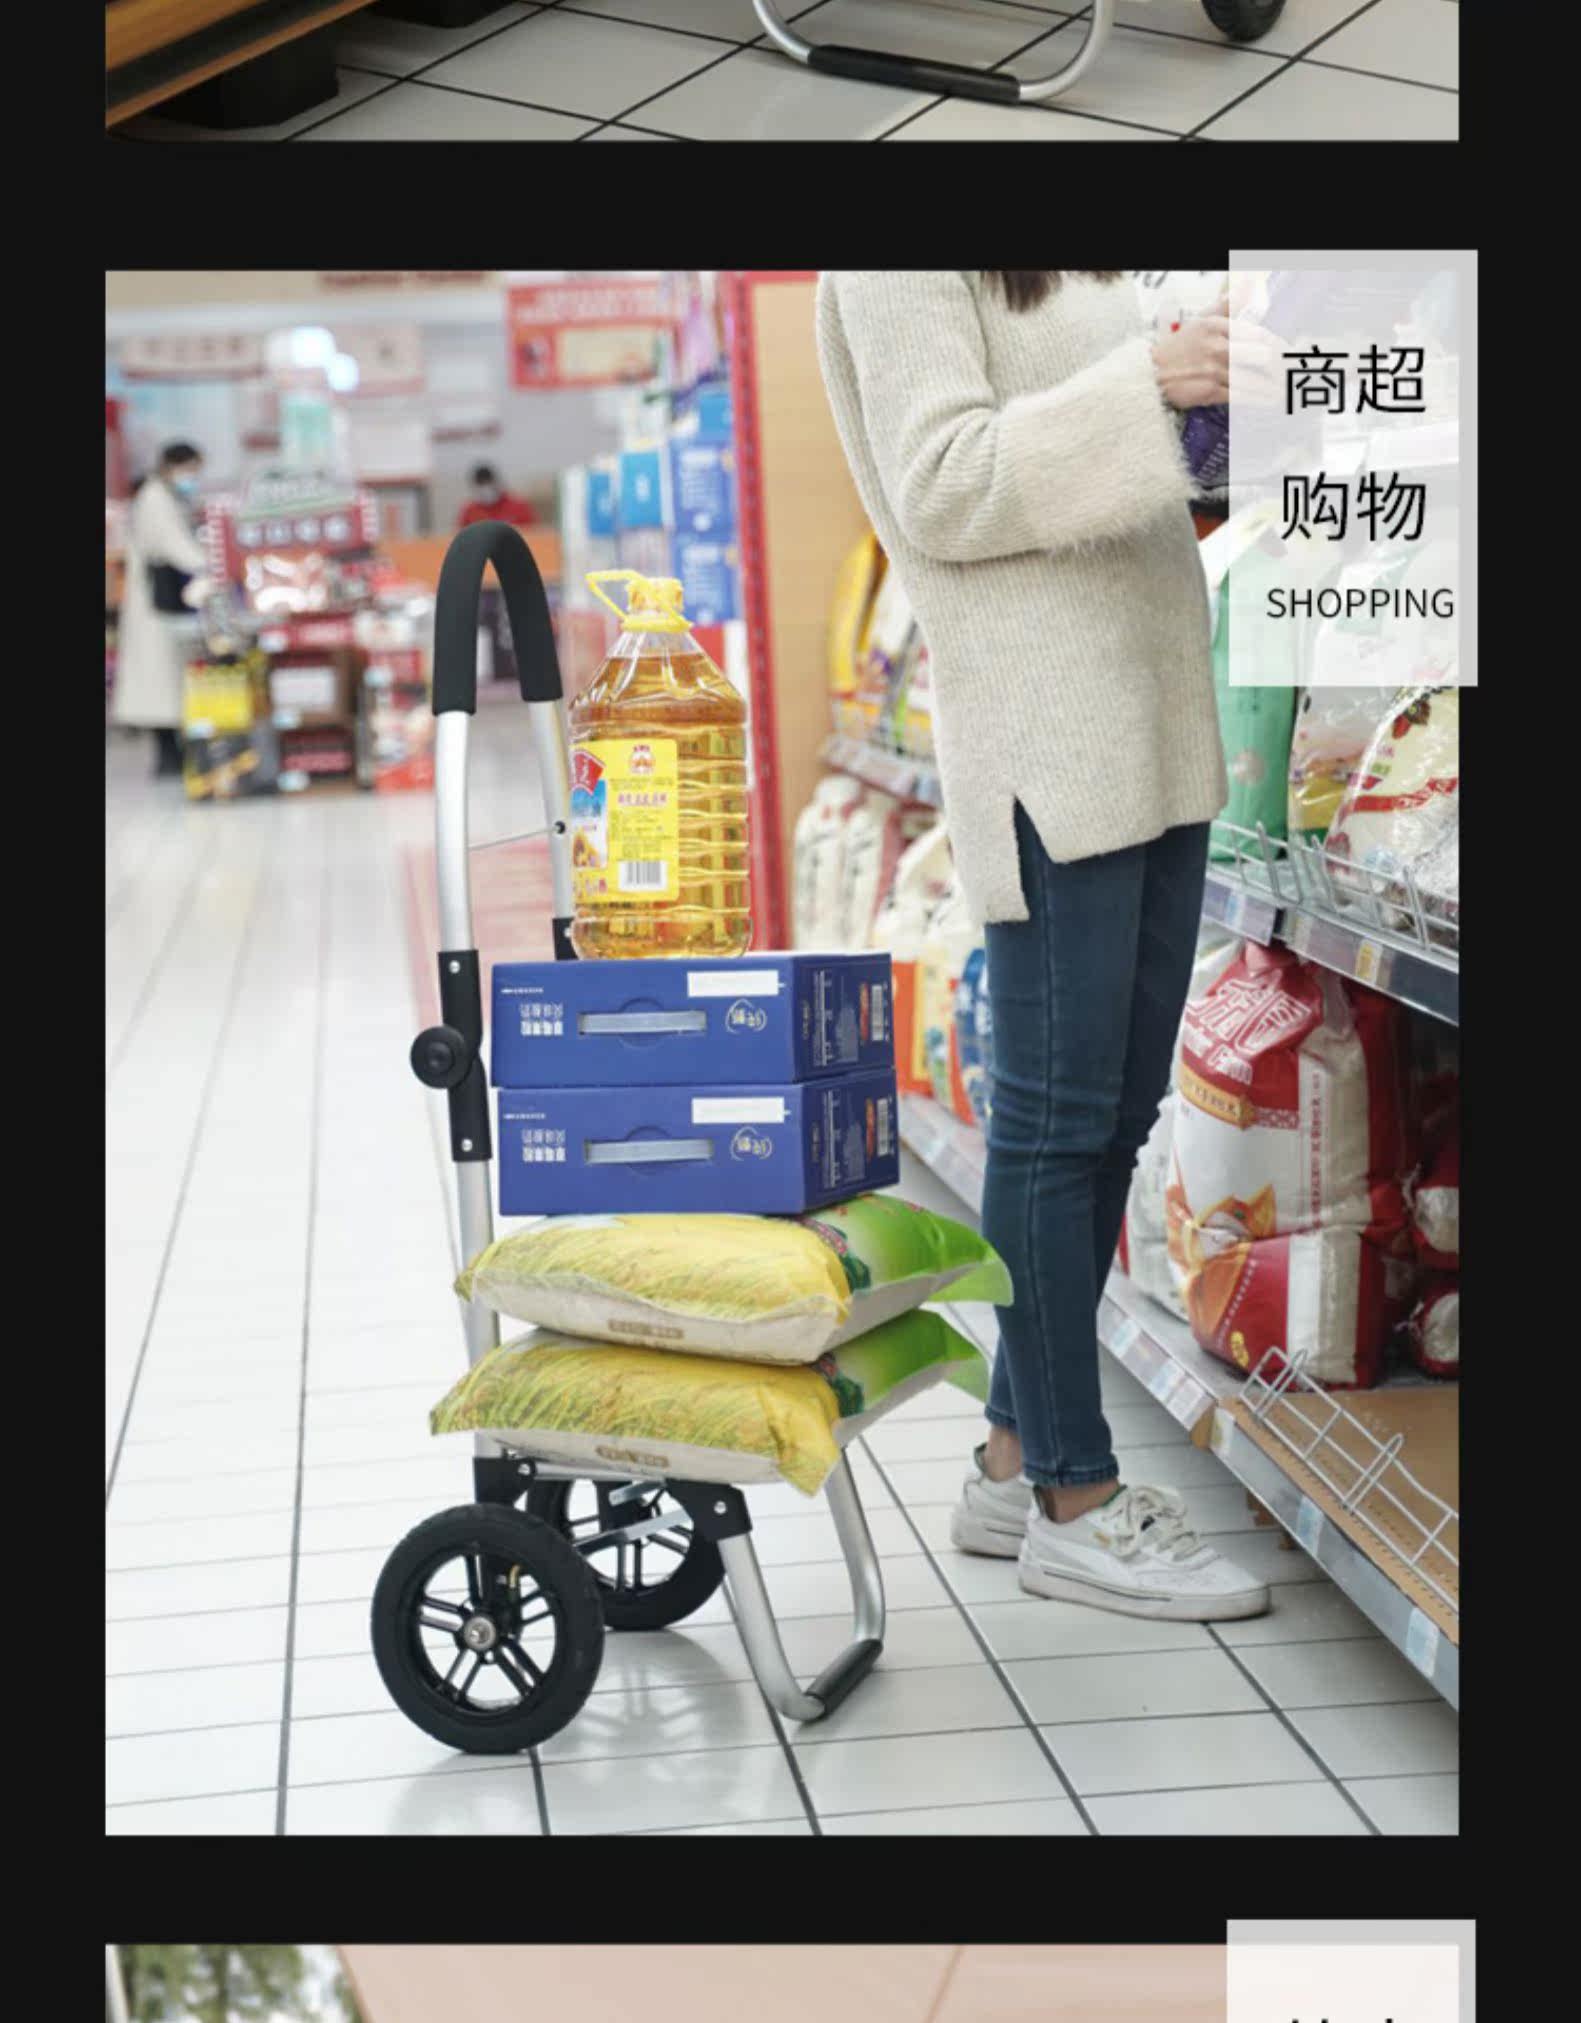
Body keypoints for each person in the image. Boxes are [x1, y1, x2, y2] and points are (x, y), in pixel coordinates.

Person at [818, 270, 1273, 1623]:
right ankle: (1076, 1500)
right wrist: (1153, 379)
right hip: (1046, 727)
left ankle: (1013, 1460)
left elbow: (1121, 455)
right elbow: (944, 483)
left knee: (1115, 1114)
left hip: (1150, 707)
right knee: (1053, 1124)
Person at [112, 441, 210, 776]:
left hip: (165, 604)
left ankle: (173, 756)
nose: (193, 478)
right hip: (154, 606)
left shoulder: (166, 496)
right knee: (159, 682)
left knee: (166, 683)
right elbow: (174, 546)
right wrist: (213, 564)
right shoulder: (155, 498)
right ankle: (169, 758)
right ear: (173, 466)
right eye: (191, 470)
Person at [456, 463, 539, 530]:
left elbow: (534, 532)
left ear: (496, 482)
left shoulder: (518, 506)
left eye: (488, 482)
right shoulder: (469, 511)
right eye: (481, 484)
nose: (485, 488)